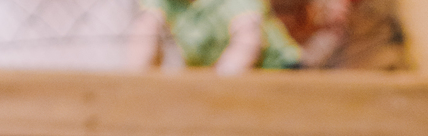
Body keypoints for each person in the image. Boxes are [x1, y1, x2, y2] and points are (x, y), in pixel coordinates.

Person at [127, 0, 301, 72]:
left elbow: (247, 40)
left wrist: (215, 89)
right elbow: (145, 31)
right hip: (220, 78)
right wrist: (133, 88)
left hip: (282, 72)